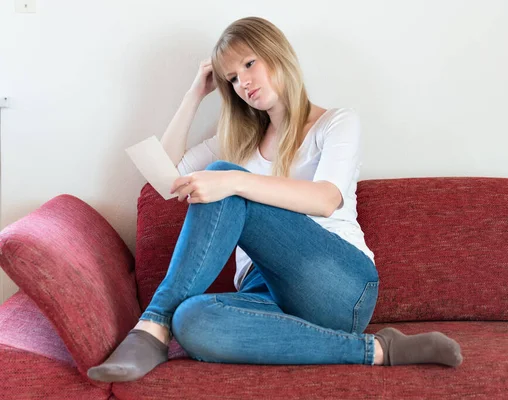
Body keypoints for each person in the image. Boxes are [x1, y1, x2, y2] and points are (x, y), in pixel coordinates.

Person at [87, 16, 463, 383]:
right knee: (191, 321)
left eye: (250, 63)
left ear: (278, 54)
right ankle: (379, 350)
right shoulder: (238, 141)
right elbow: (165, 180)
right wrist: (194, 95)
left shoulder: (336, 123)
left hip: (338, 285)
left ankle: (151, 326)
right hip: (262, 294)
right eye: (232, 78)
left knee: (223, 175)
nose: (243, 82)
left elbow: (325, 199)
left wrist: (234, 180)